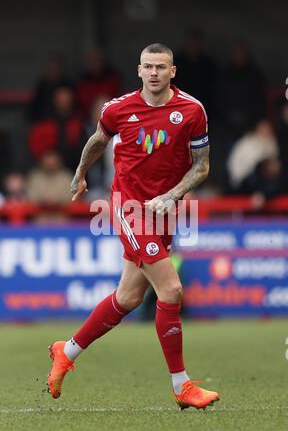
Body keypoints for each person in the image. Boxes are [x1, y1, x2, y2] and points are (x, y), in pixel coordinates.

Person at [47, 43, 220, 411]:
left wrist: (172, 196)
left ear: (173, 71)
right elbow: (97, 141)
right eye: (147, 66)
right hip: (129, 208)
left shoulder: (192, 110)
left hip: (165, 210)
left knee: (127, 298)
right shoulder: (118, 108)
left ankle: (67, 350)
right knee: (171, 290)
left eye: (161, 67)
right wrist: (80, 175)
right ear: (138, 70)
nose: (154, 72)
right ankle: (182, 385)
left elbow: (202, 167)